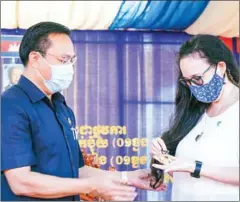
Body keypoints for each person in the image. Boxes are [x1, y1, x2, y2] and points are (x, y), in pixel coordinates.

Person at [1, 21, 162, 201]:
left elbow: (77, 170)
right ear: (35, 59)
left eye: (72, 60)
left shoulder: (61, 108)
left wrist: (126, 177)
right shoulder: (10, 105)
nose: (69, 67)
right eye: (63, 60)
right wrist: (94, 186)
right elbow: (21, 182)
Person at [150, 35, 239, 201]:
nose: (194, 87)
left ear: (220, 67)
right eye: (188, 81)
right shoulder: (195, 111)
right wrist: (163, 154)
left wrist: (195, 167)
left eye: (197, 78)